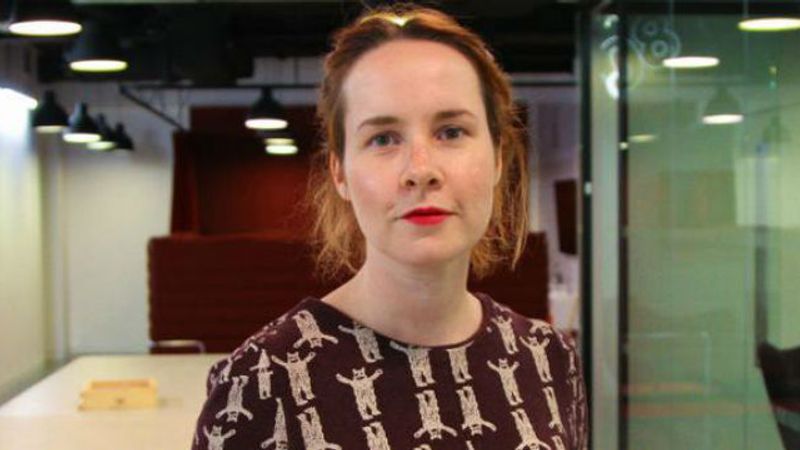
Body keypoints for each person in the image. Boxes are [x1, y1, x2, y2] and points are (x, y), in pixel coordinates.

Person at [190, 4, 588, 450]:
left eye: (451, 132)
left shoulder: (549, 359)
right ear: (340, 173)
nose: (420, 170)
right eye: (383, 138)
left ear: (497, 157)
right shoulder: (259, 386)